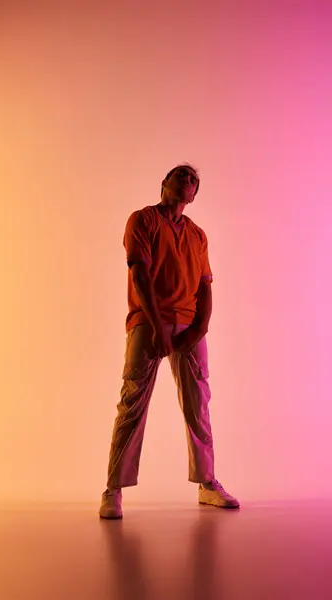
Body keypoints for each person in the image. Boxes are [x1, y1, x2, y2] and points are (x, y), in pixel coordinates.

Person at [99, 164, 239, 519]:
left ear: (195, 195)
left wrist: (200, 328)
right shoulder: (142, 220)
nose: (187, 180)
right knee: (132, 402)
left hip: (189, 326)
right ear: (164, 183)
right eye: (181, 174)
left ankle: (207, 483)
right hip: (148, 322)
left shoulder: (198, 235)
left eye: (194, 180)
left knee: (199, 405)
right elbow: (140, 273)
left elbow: (205, 285)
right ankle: (113, 489)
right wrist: (159, 328)